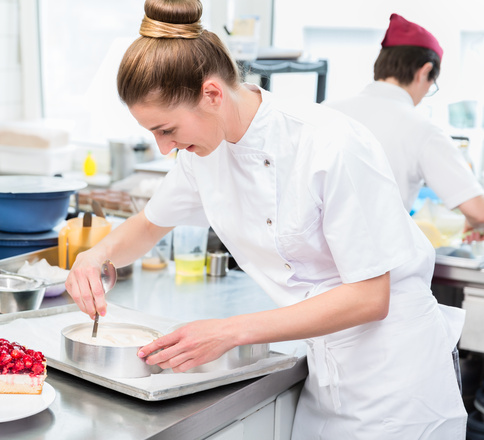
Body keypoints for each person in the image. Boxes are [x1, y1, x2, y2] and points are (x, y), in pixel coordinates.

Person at [65, 1, 467, 438]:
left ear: (213, 94)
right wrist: (96, 254)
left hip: (397, 383)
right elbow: (148, 224)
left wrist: (229, 332)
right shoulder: (203, 153)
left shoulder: (329, 143)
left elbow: (370, 297)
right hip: (324, 375)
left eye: (167, 130)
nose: (164, 148)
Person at [325, 13, 484, 234]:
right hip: (379, 263)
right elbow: (479, 211)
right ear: (425, 71)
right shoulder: (423, 129)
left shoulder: (327, 110)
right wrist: (478, 224)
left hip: (313, 262)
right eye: (432, 85)